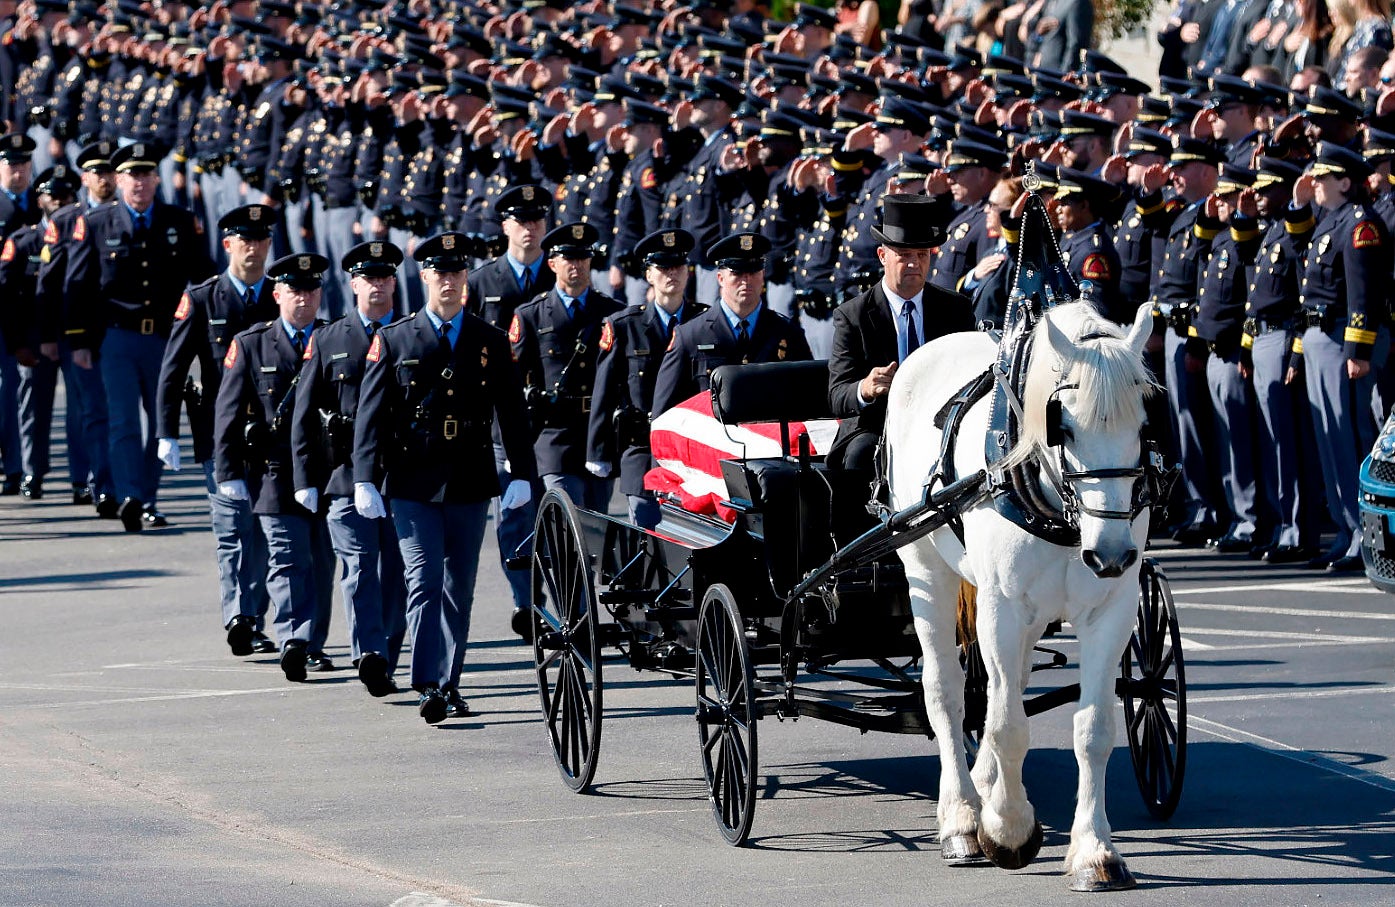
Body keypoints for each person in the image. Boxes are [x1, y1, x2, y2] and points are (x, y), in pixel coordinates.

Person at [352, 231, 536, 723]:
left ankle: (449, 681)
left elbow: (511, 411)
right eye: (440, 272)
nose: (449, 281)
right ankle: (427, 683)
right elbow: (371, 413)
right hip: (412, 481)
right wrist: (364, 477)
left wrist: (523, 472)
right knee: (424, 580)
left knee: (459, 588)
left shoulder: (489, 339)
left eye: (456, 272)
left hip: (470, 480)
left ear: (466, 278)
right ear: (425, 276)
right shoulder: (395, 338)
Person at [63, 141, 211, 532]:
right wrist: (79, 340)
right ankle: (130, 495)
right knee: (124, 420)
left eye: (146, 174)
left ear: (157, 179)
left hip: (165, 338)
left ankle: (148, 497)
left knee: (162, 422)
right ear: (118, 180)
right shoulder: (97, 222)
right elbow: (78, 285)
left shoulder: (180, 221)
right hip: (117, 337)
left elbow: (203, 277)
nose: (139, 182)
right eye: (131, 175)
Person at [156, 204, 278, 657]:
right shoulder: (204, 298)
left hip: (271, 434)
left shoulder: (282, 296)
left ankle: (255, 617)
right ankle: (239, 617)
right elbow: (173, 370)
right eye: (244, 240)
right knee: (232, 528)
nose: (253, 248)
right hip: (220, 434)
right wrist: (166, 432)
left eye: (260, 239)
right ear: (228, 244)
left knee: (264, 531)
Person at [291, 240, 408, 698]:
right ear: (353, 284)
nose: (377, 285)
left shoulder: (410, 333)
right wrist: (305, 478)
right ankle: (370, 653)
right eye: (368, 278)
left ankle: (387, 654)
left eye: (384, 277)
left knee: (398, 573)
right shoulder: (329, 339)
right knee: (359, 567)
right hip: (344, 475)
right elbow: (305, 414)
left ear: (394, 283)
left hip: (400, 475)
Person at [213, 252, 336, 682]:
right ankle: (293, 640)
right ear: (277, 294)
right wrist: (227, 472)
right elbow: (227, 412)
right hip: (274, 472)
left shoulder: (334, 337)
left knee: (321, 563)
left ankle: (314, 643)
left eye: (311, 290)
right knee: (287, 559)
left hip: (324, 471)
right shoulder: (252, 343)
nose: (304, 298)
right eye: (294, 290)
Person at [1289, 143, 1390, 571]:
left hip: (1340, 340)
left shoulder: (1360, 224)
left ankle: (1365, 536)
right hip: (1318, 337)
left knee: (1349, 441)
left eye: (1322, 179)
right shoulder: (1329, 222)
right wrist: (1298, 205)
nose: (1315, 184)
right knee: (1330, 442)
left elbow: (1362, 291)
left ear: (1345, 182)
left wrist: (1359, 350)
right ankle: (1347, 530)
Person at [827, 194, 976, 472]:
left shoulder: (956, 309)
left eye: (922, 255)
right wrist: (865, 388)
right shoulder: (853, 315)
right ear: (882, 256)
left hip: (941, 422)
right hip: (877, 425)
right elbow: (837, 395)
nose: (914, 264)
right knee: (861, 455)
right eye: (904, 255)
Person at [465, 184, 555, 628]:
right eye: (521, 221)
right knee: (514, 516)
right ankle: (526, 601)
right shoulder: (482, 282)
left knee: (554, 515)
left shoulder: (559, 274)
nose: (529, 229)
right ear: (505, 226)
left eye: (536, 220)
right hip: (500, 418)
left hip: (551, 418)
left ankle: (562, 602)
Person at [587, 229, 707, 529]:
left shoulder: (704, 323)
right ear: (649, 275)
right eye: (663, 267)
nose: (672, 274)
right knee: (646, 532)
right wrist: (598, 451)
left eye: (678, 266)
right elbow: (604, 391)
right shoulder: (625, 325)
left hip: (692, 448)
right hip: (641, 449)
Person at [510, 222, 625, 515]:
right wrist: (514, 445)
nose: (577, 265)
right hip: (554, 435)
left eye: (583, 258)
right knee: (567, 516)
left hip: (598, 434)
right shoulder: (531, 315)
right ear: (552, 264)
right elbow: (513, 382)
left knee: (597, 522)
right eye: (569, 258)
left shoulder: (612, 312)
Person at [651, 232, 813, 417]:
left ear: (762, 275)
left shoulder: (787, 333)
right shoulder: (690, 335)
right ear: (720, 278)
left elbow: (811, 399)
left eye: (753, 271)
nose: (746, 280)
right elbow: (663, 416)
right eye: (737, 272)